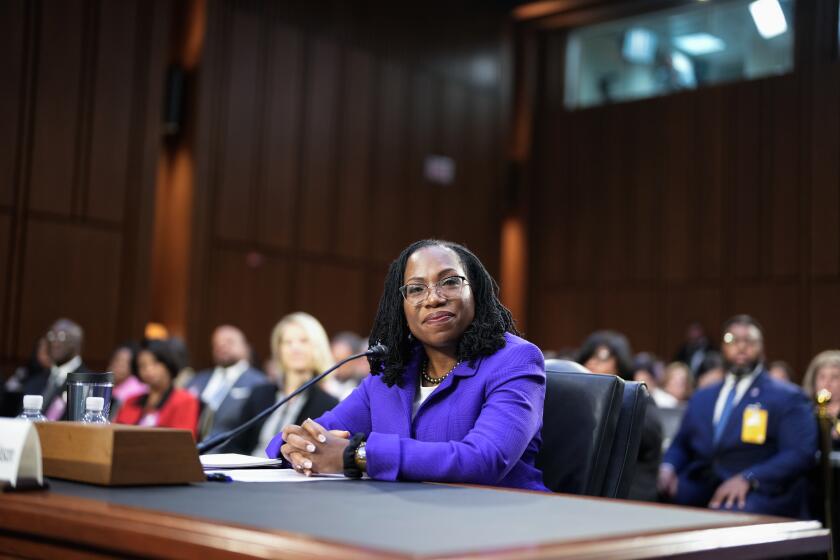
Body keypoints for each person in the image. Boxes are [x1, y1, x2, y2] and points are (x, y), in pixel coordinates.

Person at [267, 240, 547, 491]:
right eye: (416, 288)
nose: (433, 298)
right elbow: (310, 435)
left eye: (450, 282)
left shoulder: (515, 360)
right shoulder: (392, 372)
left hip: (498, 525)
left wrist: (356, 456)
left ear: (476, 292)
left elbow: (484, 459)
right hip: (405, 521)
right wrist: (294, 445)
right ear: (399, 306)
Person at [658, 315, 817, 517]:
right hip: (703, 482)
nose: (741, 347)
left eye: (749, 341)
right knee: (649, 495)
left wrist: (749, 477)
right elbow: (681, 443)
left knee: (728, 512)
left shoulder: (787, 397)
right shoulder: (703, 396)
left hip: (759, 488)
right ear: (722, 348)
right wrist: (668, 467)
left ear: (762, 348)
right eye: (732, 340)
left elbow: (800, 453)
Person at [229, 312, 340, 456]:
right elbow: (234, 444)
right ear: (279, 350)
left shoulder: (327, 403)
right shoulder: (259, 394)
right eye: (287, 342)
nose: (295, 348)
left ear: (317, 347)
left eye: (303, 341)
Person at [577, 331, 663, 501]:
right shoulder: (579, 398)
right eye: (588, 356)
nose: (591, 363)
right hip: (587, 489)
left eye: (602, 357)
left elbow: (646, 440)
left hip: (629, 493)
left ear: (620, 363)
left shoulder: (635, 396)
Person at [186, 326, 267, 442]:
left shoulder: (259, 383)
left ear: (245, 347)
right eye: (216, 343)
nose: (222, 346)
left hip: (231, 452)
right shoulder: (197, 380)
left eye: (229, 341)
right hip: (189, 449)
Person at [116, 339, 200, 437]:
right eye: (142, 365)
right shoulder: (131, 400)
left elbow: (183, 443)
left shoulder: (186, 400)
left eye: (155, 363)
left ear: (168, 363)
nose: (148, 369)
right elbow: (116, 433)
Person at [801, 350, 840, 444]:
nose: (827, 383)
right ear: (813, 381)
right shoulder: (804, 412)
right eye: (822, 377)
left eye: (835, 377)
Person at [324, 331, 369, 401]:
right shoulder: (324, 384)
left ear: (356, 360)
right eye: (334, 360)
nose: (336, 366)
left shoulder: (364, 388)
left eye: (342, 361)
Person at [108, 342, 146, 418]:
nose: (119, 366)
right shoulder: (107, 383)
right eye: (116, 360)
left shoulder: (137, 389)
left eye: (125, 363)